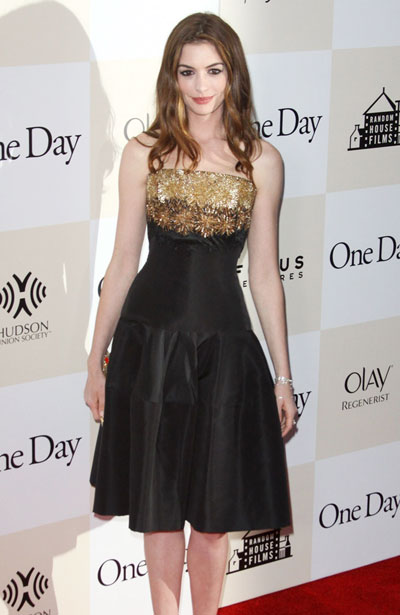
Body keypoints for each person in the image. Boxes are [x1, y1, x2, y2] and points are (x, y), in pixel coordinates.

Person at [85, 12, 297, 615]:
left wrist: (283, 376)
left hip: (224, 354)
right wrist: (95, 360)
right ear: (171, 77)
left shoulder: (262, 160)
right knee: (158, 513)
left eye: (214, 71)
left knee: (211, 518)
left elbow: (265, 274)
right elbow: (122, 262)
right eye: (188, 72)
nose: (201, 86)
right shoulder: (145, 154)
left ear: (233, 75)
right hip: (148, 349)